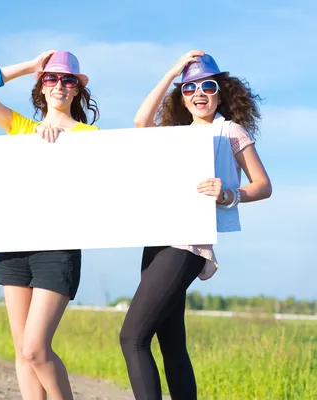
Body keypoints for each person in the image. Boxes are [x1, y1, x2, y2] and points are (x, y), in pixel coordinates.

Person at [120, 50, 273, 399]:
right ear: (182, 96)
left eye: (207, 85)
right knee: (171, 343)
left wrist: (229, 194)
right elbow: (141, 121)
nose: (199, 93)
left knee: (132, 338)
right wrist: (173, 70)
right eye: (189, 88)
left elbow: (263, 185)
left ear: (220, 91)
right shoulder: (176, 134)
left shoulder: (230, 131)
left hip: (187, 245)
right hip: (157, 242)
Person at [0, 50, 100, 400]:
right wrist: (30, 66)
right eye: (51, 78)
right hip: (13, 245)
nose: (60, 84)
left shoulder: (92, 136)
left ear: (77, 89)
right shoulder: (21, 128)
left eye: (68, 79)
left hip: (58, 248)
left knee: (35, 349)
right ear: (41, 85)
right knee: (20, 352)